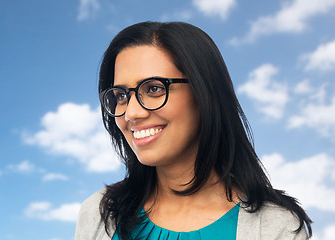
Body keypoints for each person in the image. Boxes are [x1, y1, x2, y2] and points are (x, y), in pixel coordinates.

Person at [75, 22, 312, 240]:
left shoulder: (277, 228)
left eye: (155, 88)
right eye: (121, 95)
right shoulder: (98, 213)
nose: (132, 113)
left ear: (204, 93)